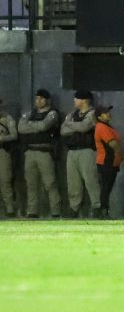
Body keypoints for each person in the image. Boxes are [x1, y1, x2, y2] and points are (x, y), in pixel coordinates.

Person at [18, 89, 61, 219]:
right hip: (30, 151)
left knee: (50, 183)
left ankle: (55, 211)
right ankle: (32, 211)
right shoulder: (30, 113)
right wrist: (35, 125)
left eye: (42, 98)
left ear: (47, 100)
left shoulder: (53, 113)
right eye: (37, 98)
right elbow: (20, 128)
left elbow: (44, 126)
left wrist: (30, 125)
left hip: (45, 151)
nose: (39, 101)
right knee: (31, 183)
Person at [61, 89, 102, 218]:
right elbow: (63, 131)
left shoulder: (92, 113)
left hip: (87, 151)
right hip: (72, 151)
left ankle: (97, 207)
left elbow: (85, 127)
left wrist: (70, 125)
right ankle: (74, 208)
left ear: (85, 100)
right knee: (73, 182)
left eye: (77, 98)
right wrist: (75, 126)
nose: (74, 100)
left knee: (91, 180)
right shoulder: (72, 114)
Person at [94, 103, 123, 219]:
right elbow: (112, 144)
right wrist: (123, 155)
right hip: (106, 161)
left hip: (111, 162)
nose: (108, 114)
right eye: (105, 113)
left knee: (107, 187)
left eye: (108, 112)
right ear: (99, 117)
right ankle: (103, 211)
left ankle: (103, 211)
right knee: (106, 187)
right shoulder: (101, 127)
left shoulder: (107, 126)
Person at [0, 100, 17, 217]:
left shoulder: (6, 118)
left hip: (2, 151)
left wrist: (2, 139)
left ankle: (10, 209)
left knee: (5, 180)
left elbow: (14, 135)